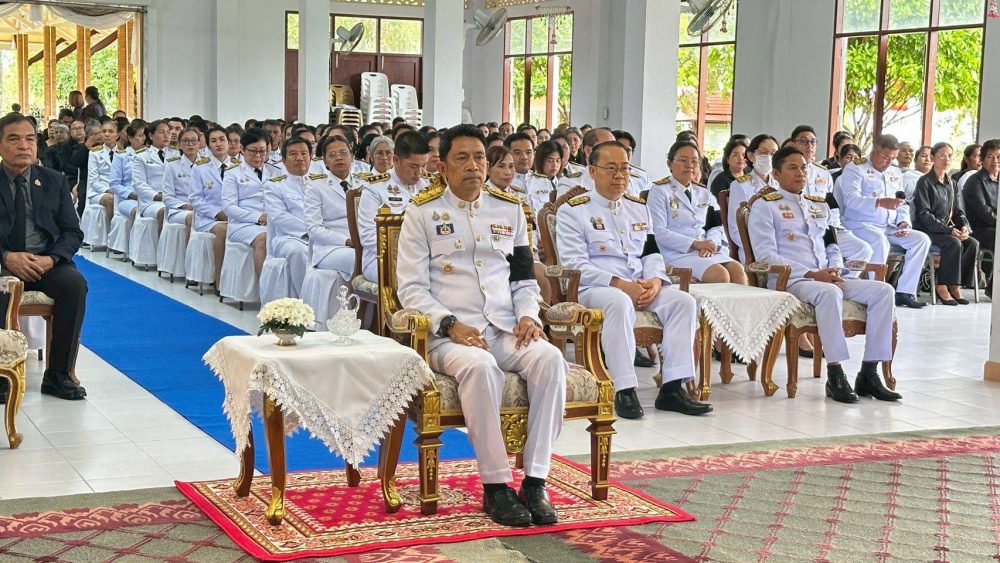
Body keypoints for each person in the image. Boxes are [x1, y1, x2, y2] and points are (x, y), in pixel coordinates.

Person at [396, 124, 565, 527]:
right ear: (441, 166)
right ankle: (496, 485)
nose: (473, 165)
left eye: (479, 158)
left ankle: (535, 481)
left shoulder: (509, 208)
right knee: (481, 367)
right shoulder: (422, 212)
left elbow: (523, 279)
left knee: (551, 360)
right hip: (448, 336)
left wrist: (528, 315)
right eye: (462, 158)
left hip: (504, 327)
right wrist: (449, 324)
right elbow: (411, 289)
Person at [556, 140, 708, 419]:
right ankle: (624, 389)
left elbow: (651, 252)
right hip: (595, 288)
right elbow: (574, 265)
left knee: (684, 302)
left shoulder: (638, 207)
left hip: (639, 283)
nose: (620, 176)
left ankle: (673, 388)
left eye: (625, 169)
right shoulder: (573, 210)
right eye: (611, 168)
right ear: (592, 171)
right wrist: (620, 284)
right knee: (619, 303)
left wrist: (655, 281)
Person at [748, 146, 900, 404]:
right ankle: (835, 373)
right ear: (776, 173)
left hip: (827, 276)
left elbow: (832, 245)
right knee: (829, 293)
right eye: (792, 168)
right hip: (792, 280)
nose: (800, 173)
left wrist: (836, 269)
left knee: (884, 291)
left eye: (803, 167)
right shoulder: (765, 206)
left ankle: (869, 372)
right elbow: (765, 255)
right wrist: (813, 273)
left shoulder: (818, 205)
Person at [0, 113, 87, 404]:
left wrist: (51, 260)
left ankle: (58, 375)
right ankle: (2, 374)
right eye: (14, 139)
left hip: (45, 263)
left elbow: (72, 232)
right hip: (4, 264)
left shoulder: (54, 180)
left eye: (29, 139)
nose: (23, 146)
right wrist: (6, 257)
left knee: (74, 284)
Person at [835, 134, 930, 309]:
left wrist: (903, 222)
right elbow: (851, 200)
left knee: (921, 240)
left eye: (893, 158)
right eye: (886, 157)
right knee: (879, 240)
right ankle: (876, 291)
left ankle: (905, 291)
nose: (889, 162)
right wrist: (879, 202)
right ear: (875, 150)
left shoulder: (894, 171)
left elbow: (902, 203)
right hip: (860, 224)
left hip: (889, 226)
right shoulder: (855, 168)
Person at [649, 140, 745, 284]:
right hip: (676, 253)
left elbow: (716, 225)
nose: (689, 165)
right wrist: (694, 244)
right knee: (719, 275)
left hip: (704, 250)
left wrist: (710, 244)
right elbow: (658, 231)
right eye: (683, 160)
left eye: (694, 161)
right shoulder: (659, 191)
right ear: (669, 164)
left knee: (738, 270)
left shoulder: (703, 192)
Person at [790, 125, 873, 272]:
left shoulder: (823, 173)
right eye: (803, 141)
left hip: (825, 227)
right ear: (793, 144)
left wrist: (833, 227)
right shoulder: (785, 171)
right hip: (799, 228)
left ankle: (840, 280)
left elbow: (831, 205)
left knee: (863, 249)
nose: (809, 146)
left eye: (812, 142)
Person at [357, 131, 430, 281]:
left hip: (424, 256)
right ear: (396, 160)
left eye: (423, 166)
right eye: (414, 166)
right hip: (381, 258)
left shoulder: (428, 185)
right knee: (417, 276)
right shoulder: (375, 188)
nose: (419, 173)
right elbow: (368, 236)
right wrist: (411, 252)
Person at [912, 142, 977, 305]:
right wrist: (949, 230)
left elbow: (958, 211)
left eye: (949, 156)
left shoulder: (951, 183)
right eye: (941, 155)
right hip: (926, 230)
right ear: (933, 158)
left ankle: (955, 284)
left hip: (945, 229)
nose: (946, 159)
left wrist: (964, 226)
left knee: (972, 243)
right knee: (953, 243)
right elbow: (924, 214)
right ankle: (941, 285)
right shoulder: (924, 182)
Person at [303, 135, 357, 291]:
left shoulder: (364, 184)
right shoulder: (316, 187)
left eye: (343, 153)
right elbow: (314, 229)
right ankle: (358, 304)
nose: (338, 157)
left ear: (352, 156)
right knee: (359, 259)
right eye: (332, 155)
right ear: (325, 161)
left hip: (362, 244)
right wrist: (347, 241)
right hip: (329, 248)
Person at [264, 136, 313, 297]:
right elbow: (280, 217)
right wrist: (311, 231)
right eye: (293, 154)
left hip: (319, 236)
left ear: (311, 157)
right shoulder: (274, 185)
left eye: (304, 153)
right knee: (296, 252)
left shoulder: (319, 183)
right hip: (288, 238)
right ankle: (305, 300)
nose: (299, 158)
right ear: (284, 160)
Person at [222, 127, 271, 277]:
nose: (258, 156)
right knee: (263, 239)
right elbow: (229, 207)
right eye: (253, 151)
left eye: (262, 151)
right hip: (242, 224)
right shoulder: (232, 173)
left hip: (272, 221)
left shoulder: (275, 171)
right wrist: (258, 217)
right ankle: (264, 287)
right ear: (242, 149)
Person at [190, 127, 233, 287]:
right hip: (208, 218)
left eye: (222, 140)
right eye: (213, 141)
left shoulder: (238, 166)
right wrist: (217, 213)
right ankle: (218, 277)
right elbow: (195, 199)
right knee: (222, 230)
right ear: (208, 145)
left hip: (235, 216)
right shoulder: (200, 167)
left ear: (228, 142)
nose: (219, 144)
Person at [727, 134, 780, 261]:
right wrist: (759, 249)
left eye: (773, 153)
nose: (769, 157)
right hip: (754, 250)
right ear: (751, 156)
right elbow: (736, 229)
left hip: (781, 246)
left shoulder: (780, 185)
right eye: (763, 153)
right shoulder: (740, 186)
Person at [132, 120, 178, 233]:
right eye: (162, 132)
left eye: (168, 132)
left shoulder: (176, 154)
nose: (166, 135)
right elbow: (139, 184)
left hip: (174, 198)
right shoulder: (141, 156)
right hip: (151, 201)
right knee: (164, 211)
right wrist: (157, 196)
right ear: (151, 135)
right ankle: (162, 243)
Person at [962, 139, 1000, 260]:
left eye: (998, 156)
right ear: (982, 160)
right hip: (981, 230)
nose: (995, 161)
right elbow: (984, 212)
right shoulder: (974, 181)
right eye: (990, 156)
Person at [161, 127, 202, 228]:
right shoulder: (172, 165)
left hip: (203, 208)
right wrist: (185, 206)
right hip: (179, 210)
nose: (190, 144)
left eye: (194, 140)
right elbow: (167, 196)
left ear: (199, 143)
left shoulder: (207, 165)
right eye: (185, 141)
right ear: (179, 144)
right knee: (193, 218)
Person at [108, 120, 145, 222]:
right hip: (128, 198)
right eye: (140, 135)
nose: (144, 139)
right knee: (138, 211)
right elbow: (114, 184)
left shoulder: (151, 156)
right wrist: (131, 194)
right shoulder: (121, 156)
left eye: (145, 135)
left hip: (149, 197)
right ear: (130, 138)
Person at [87, 119, 121, 223]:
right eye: (104, 131)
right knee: (111, 199)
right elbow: (94, 181)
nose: (107, 134)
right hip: (99, 192)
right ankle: (113, 229)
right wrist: (110, 190)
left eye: (111, 131)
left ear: (117, 135)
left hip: (120, 190)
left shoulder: (124, 153)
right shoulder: (94, 153)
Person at [521, 141, 563, 214]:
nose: (554, 165)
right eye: (550, 161)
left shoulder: (563, 183)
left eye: (557, 161)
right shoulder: (530, 182)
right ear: (540, 160)